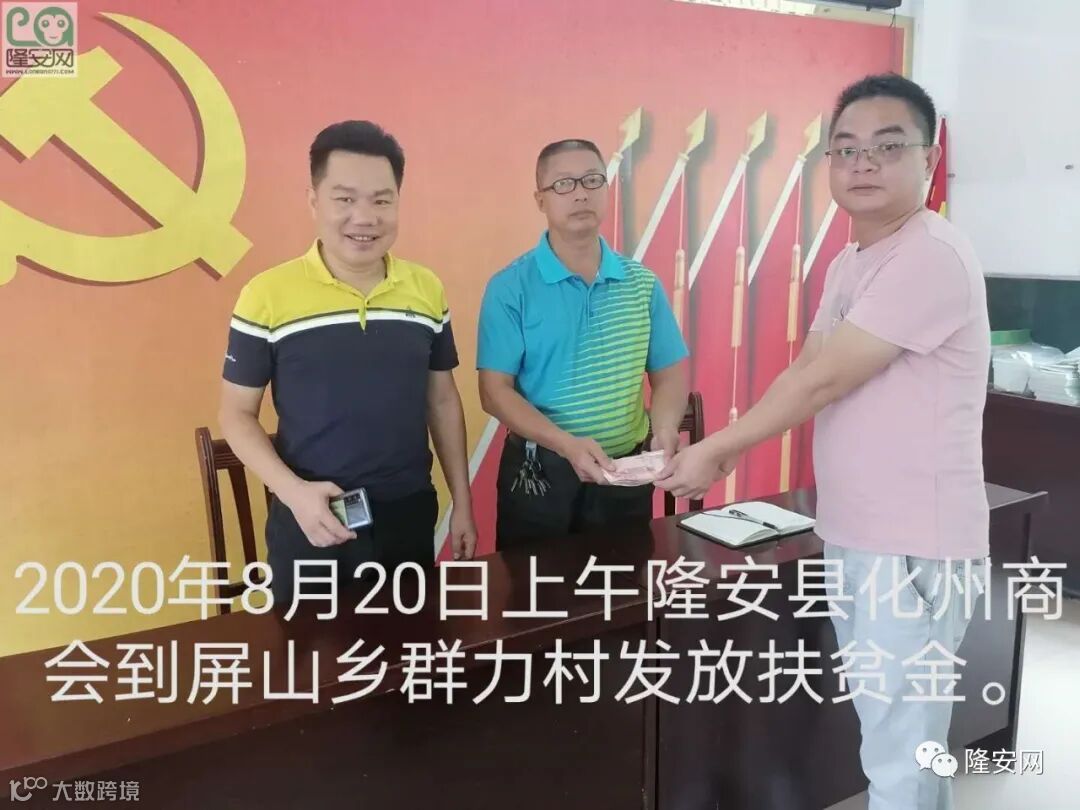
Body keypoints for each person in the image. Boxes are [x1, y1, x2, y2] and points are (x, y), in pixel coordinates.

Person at [656, 74, 990, 810]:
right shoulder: (851, 261)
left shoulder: (930, 255)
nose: (863, 163)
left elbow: (823, 382)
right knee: (891, 732)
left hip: (913, 542)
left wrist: (718, 447)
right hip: (860, 533)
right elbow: (806, 368)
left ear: (929, 160)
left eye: (887, 147)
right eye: (846, 148)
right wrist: (731, 447)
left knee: (901, 747)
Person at [218, 120, 476, 607]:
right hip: (312, 518)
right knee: (311, 652)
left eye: (381, 200)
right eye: (345, 199)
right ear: (314, 201)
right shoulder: (266, 295)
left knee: (408, 646)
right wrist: (293, 493)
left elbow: (442, 400)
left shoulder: (426, 290)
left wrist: (462, 502)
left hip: (407, 514)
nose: (365, 217)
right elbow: (236, 414)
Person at [478, 138, 689, 549]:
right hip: (540, 477)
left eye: (592, 180)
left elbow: (670, 373)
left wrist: (664, 428)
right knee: (535, 587)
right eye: (563, 184)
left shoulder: (641, 283)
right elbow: (493, 392)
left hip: (625, 476)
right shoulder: (510, 287)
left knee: (623, 584)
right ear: (540, 199)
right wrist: (567, 445)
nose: (580, 193)